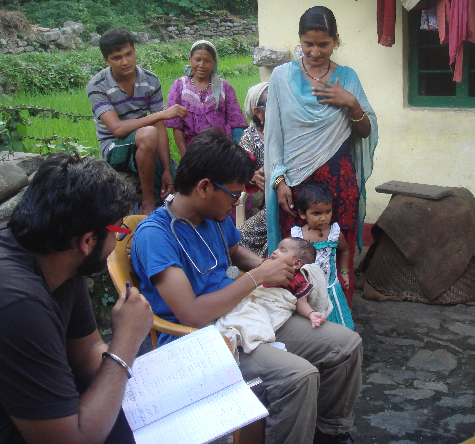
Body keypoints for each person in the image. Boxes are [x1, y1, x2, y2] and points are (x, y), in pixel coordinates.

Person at [131, 128, 363, 444]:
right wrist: (258, 276)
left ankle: (330, 434)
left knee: (345, 346)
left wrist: (276, 269)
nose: (237, 202)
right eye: (233, 194)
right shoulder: (155, 235)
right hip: (203, 338)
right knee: (298, 376)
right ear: (203, 187)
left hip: (243, 314)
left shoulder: (212, 216)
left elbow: (235, 251)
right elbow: (192, 315)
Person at [0, 152, 154, 443]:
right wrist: (126, 341)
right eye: (117, 229)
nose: (119, 237)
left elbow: (87, 349)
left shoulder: (59, 258)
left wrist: (146, 387)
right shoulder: (16, 304)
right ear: (87, 241)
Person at [264, 5, 378, 308]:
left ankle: (339, 316)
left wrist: (351, 103)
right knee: (295, 257)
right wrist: (278, 181)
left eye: (324, 44)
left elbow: (365, 131)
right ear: (299, 40)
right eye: (308, 44)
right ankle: (297, 317)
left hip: (339, 183)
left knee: (337, 254)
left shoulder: (347, 78)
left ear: (336, 40)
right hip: (295, 185)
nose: (315, 52)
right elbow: (274, 134)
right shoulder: (282, 77)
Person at [86, 28, 188, 216]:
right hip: (114, 146)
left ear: (134, 51)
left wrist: (167, 169)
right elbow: (117, 129)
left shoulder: (150, 80)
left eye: (128, 54)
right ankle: (147, 202)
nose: (125, 62)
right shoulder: (97, 85)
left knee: (177, 185)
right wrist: (161, 115)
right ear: (106, 60)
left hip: (145, 143)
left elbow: (159, 126)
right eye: (117, 58)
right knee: (148, 133)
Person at [164, 40, 248, 156]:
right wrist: (185, 158)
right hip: (192, 152)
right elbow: (177, 126)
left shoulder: (225, 88)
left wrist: (235, 156)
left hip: (222, 152)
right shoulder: (179, 86)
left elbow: (236, 124)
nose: (202, 65)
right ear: (190, 59)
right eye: (197, 60)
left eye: (207, 61)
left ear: (214, 62)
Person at [292, 182, 354, 330]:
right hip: (308, 290)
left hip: (331, 288)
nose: (323, 218)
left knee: (338, 324)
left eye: (327, 211)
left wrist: (344, 273)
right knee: (312, 324)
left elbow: (344, 251)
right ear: (302, 213)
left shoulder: (334, 233)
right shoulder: (298, 235)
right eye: (316, 213)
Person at [266, 237, 327, 328]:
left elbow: (301, 303)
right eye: (277, 248)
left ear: (296, 264)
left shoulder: (296, 280)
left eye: (282, 251)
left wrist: (311, 314)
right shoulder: (266, 266)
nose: (275, 252)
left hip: (276, 311)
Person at [238, 82, 269, 257]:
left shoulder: (291, 131)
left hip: (297, 200)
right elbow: (240, 169)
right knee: (238, 240)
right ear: (258, 112)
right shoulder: (250, 137)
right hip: (268, 205)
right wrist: (253, 176)